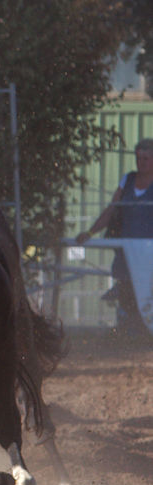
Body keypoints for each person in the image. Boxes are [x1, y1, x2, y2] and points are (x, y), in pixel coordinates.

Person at [77, 138, 153, 342]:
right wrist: (90, 232)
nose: (142, 162)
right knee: (127, 291)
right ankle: (131, 333)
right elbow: (112, 210)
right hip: (127, 252)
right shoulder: (127, 180)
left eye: (146, 158)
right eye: (139, 158)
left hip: (149, 253)